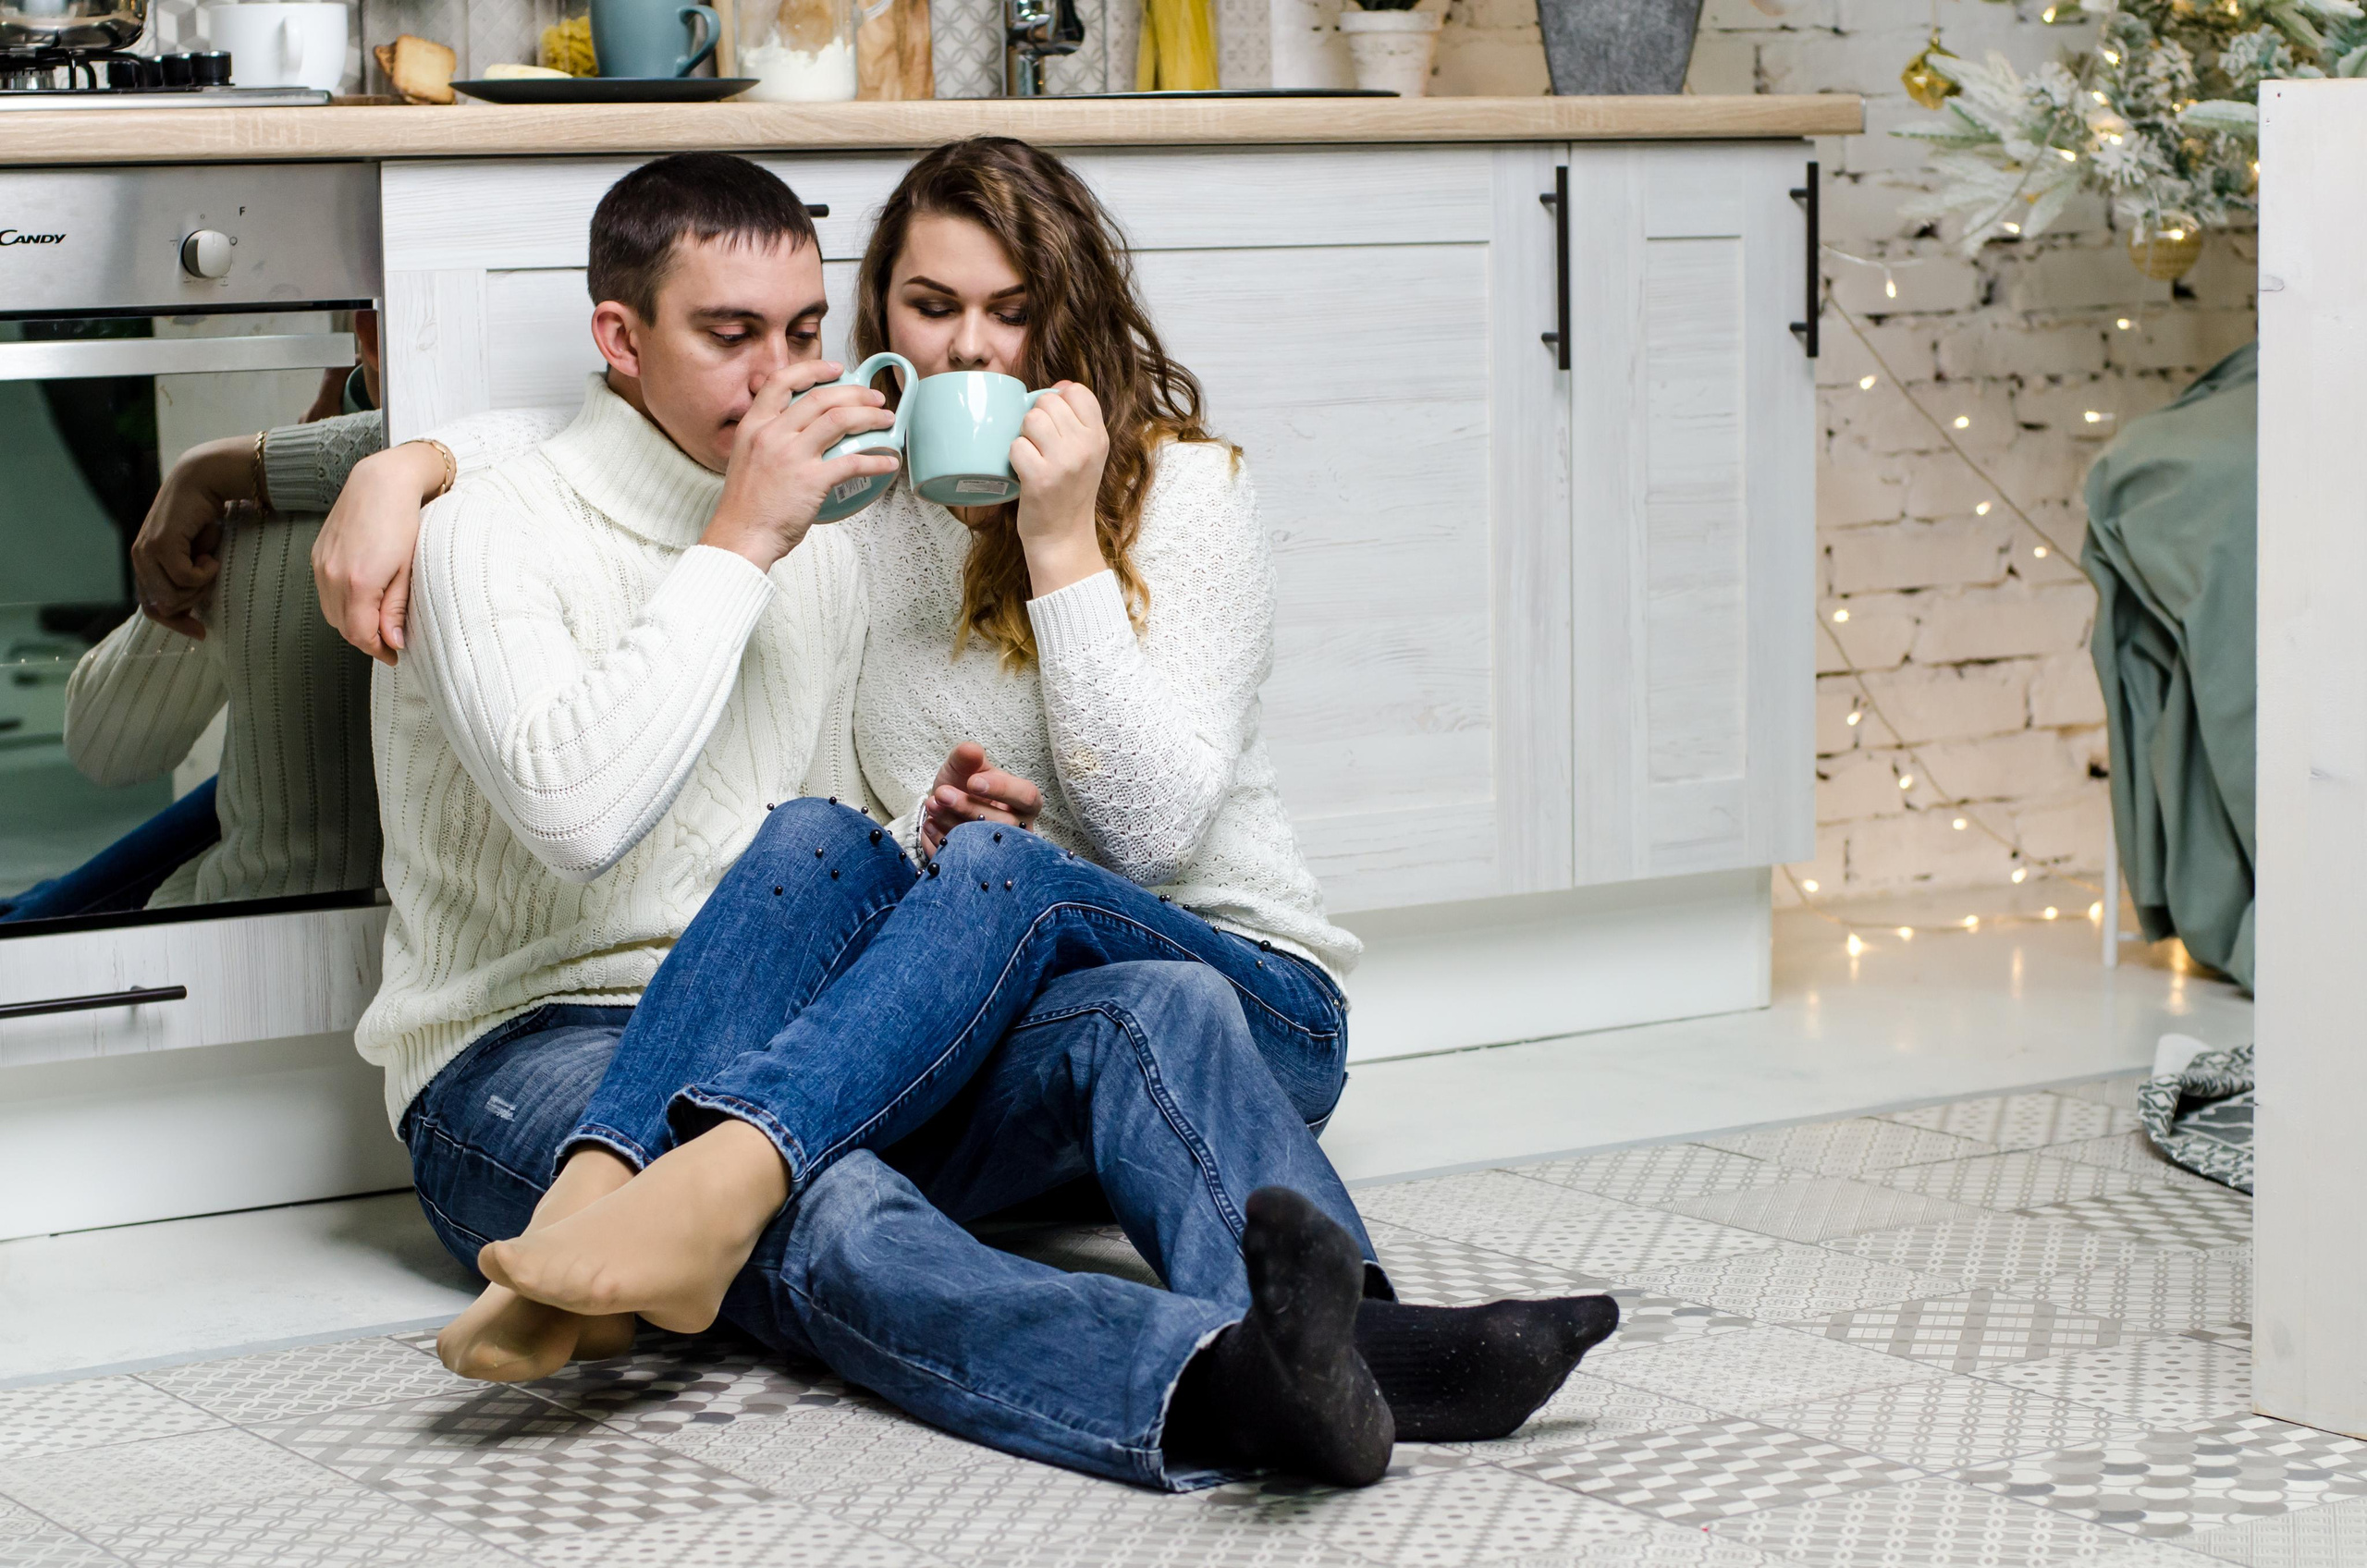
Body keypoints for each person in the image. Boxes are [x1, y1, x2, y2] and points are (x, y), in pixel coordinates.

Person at [145, 146, 1618, 1488]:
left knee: (904, 879)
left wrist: (923, 824)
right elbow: (579, 811)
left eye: (800, 336)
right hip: (528, 1062)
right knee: (837, 1197)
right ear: (622, 340)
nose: (781, 381)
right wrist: (353, 462)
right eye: (731, 337)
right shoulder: (522, 520)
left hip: (796, 1033)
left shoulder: (856, 517)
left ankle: (702, 1195)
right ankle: (1214, 1393)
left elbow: (1076, 827)